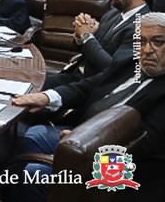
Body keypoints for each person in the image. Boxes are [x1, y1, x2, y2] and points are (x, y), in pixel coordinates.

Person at [9, 12, 165, 202]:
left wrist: (90, 144)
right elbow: (87, 87)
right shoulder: (130, 62)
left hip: (122, 161)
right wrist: (46, 97)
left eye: (158, 42)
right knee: (30, 136)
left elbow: (147, 143)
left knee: (36, 174)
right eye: (141, 41)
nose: (147, 50)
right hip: (79, 133)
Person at [42, 0, 151, 90]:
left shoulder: (142, 26)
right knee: (30, 83)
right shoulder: (113, 13)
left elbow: (112, 69)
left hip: (94, 87)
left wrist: (86, 36)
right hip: (74, 75)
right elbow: (89, 48)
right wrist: (80, 34)